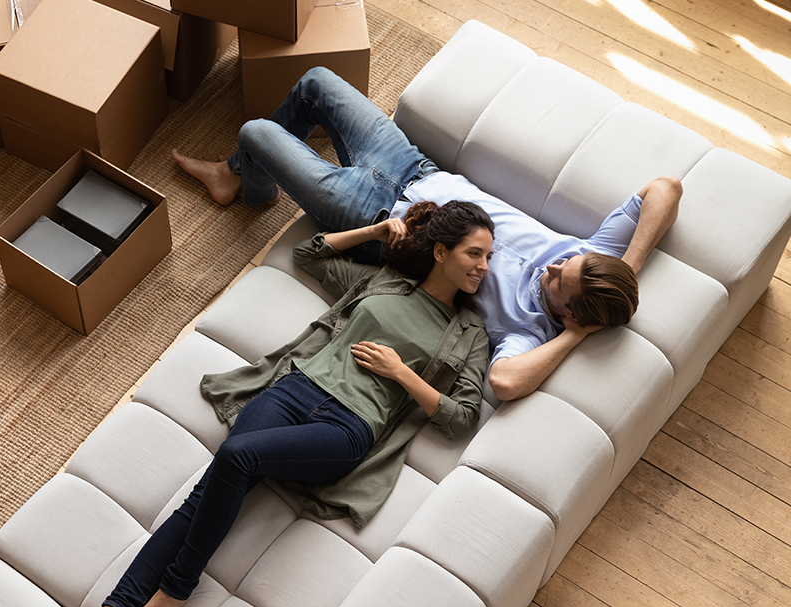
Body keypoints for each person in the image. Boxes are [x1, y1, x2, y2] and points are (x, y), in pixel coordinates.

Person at [65, 199, 495, 607]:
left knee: (234, 458)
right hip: (295, 389)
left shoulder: (470, 333)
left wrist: (402, 373)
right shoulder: (387, 282)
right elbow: (310, 254)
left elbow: (462, 416)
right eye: (475, 254)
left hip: (348, 426)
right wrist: (373, 234)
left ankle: (174, 590)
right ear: (439, 251)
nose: (483, 267)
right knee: (206, 492)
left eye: (488, 257)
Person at [172, 67, 683, 402]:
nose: (552, 264)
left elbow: (503, 385)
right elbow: (667, 188)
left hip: (375, 219)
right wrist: (627, 267)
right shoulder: (593, 260)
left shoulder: (527, 333)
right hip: (418, 169)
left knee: (257, 132)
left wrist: (573, 336)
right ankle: (244, 181)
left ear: (569, 314)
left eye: (558, 282)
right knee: (316, 83)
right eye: (563, 263)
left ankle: (241, 175)